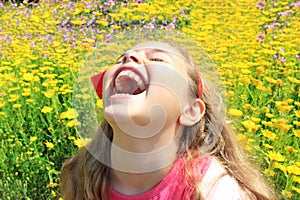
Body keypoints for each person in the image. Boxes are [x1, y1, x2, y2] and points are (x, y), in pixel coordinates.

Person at [61, 41, 277, 200]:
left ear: (191, 110)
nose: (129, 58)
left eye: (156, 59)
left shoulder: (213, 189)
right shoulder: (79, 175)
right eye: (121, 59)